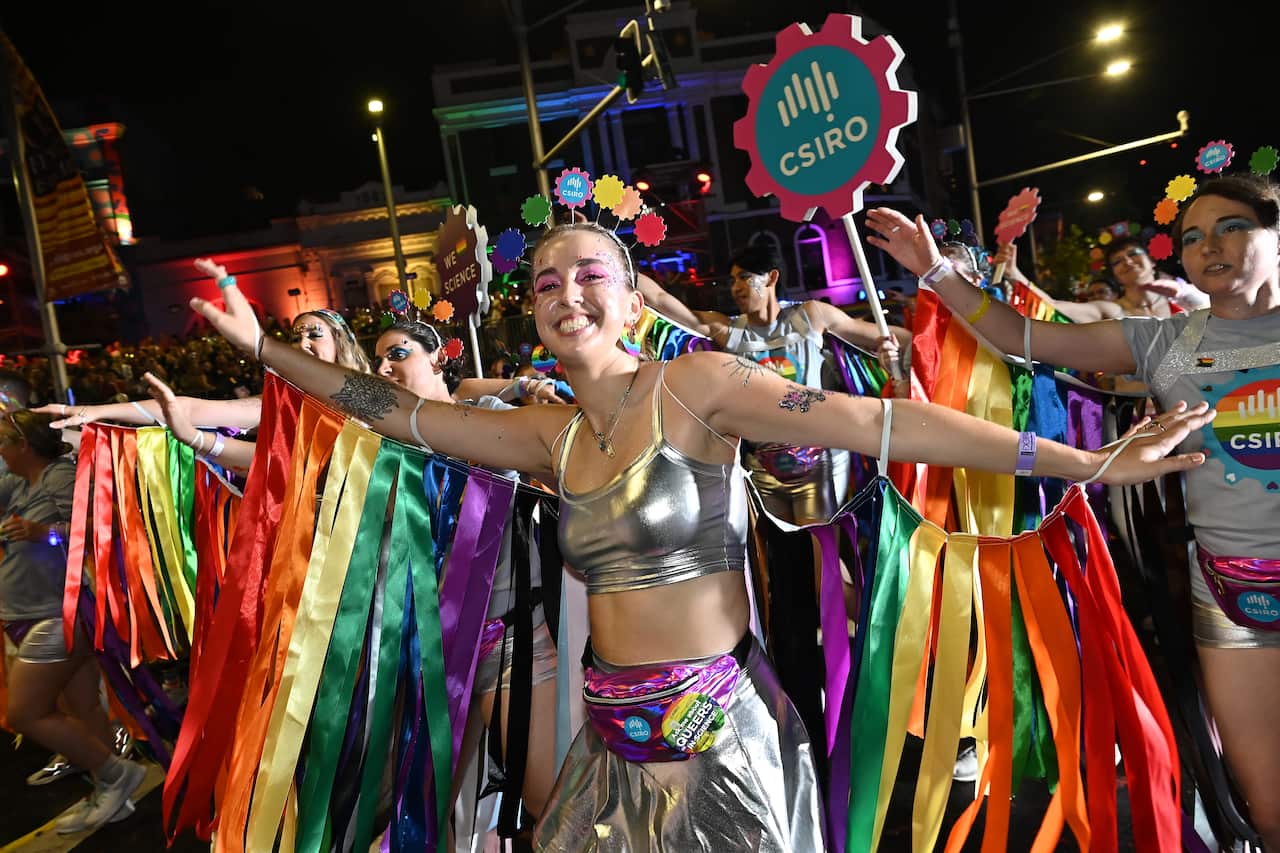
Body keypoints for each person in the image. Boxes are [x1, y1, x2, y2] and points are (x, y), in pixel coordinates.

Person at [191, 221, 1211, 852]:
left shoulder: (696, 388)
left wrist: (1078, 462)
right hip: (610, 747)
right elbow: (386, 408)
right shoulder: (545, 432)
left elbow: (884, 424)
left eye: (587, 273)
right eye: (543, 284)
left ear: (632, 297)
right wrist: (263, 350)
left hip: (718, 733)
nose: (564, 294)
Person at [865, 174, 1280, 850]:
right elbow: (1024, 338)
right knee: (1269, 808)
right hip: (1234, 600)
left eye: (1231, 227)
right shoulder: (1165, 341)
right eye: (1193, 237)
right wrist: (935, 270)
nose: (1208, 247)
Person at [370, 318, 560, 829]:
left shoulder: (488, 414)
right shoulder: (382, 446)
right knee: (424, 817)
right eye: (378, 360)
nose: (384, 366)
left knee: (550, 804)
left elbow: (562, 473)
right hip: (431, 651)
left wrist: (524, 387)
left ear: (436, 357)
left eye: (398, 353)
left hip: (508, 640)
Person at [639, 241, 912, 525]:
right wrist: (604, 256)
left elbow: (897, 338)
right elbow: (658, 298)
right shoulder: (728, 331)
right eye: (732, 280)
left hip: (818, 460)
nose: (735, 288)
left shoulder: (811, 316)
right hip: (763, 467)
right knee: (778, 559)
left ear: (771, 277)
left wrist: (892, 353)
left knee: (823, 556)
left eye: (744, 277)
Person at [1, 411, 148, 833]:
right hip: (29, 614)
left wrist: (42, 532)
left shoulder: (59, 477)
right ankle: (109, 791)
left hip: (57, 615)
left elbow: (99, 528)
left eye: (4, 442)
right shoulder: (17, 481)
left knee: (26, 713)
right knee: (82, 707)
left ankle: (117, 774)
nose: (0, 451)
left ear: (23, 446)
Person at [994, 238, 1209, 322]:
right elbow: (1054, 307)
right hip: (1141, 412)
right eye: (1117, 261)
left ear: (1151, 261)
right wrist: (1015, 275)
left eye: (1133, 254)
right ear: (1115, 275)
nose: (1127, 261)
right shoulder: (1111, 310)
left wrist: (1183, 292)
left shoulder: (1184, 299)